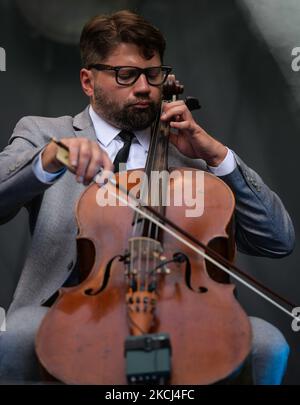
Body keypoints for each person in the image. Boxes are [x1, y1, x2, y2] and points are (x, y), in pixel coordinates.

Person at [0, 10, 295, 384]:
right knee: (21, 331)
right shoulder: (48, 134)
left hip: (181, 311)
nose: (143, 87)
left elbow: (278, 241)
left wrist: (217, 156)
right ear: (88, 82)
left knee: (268, 343)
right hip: (72, 312)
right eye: (126, 75)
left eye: (153, 75)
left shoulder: (190, 151)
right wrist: (54, 156)